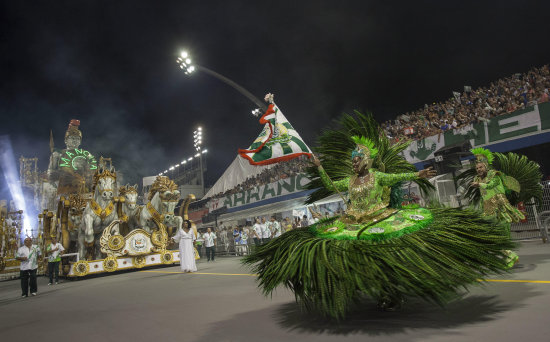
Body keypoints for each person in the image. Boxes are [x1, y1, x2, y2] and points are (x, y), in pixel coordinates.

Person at [244, 112, 517, 319]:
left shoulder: (377, 176)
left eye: (358, 158)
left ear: (368, 161)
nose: (354, 162)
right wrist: (318, 167)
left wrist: (417, 174)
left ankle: (392, 292)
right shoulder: (349, 181)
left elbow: (398, 176)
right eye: (352, 159)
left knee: (389, 257)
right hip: (351, 223)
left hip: (381, 220)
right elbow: (329, 186)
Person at [468, 147, 541, 268]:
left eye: (480, 167)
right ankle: (509, 256)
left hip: (501, 209)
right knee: (490, 236)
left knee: (501, 236)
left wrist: (479, 184)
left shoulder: (494, 175)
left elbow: (490, 185)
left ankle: (510, 256)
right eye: (476, 168)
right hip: (488, 211)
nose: (478, 169)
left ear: (486, 166)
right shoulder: (478, 179)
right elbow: (483, 197)